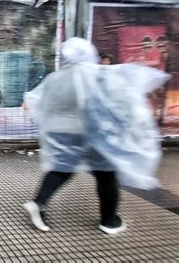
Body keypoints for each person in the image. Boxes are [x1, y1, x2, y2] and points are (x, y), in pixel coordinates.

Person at [22, 37, 170, 234]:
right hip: (91, 131)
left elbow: (34, 100)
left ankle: (38, 203)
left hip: (60, 132)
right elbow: (121, 98)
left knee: (62, 169)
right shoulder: (99, 74)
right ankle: (109, 220)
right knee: (106, 175)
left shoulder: (56, 77)